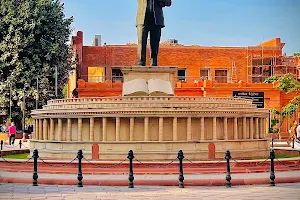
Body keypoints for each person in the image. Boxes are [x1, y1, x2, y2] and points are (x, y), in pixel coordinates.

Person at [136, 0, 172, 66]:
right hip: (142, 18)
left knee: (155, 43)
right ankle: (141, 61)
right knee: (141, 41)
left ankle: (153, 62)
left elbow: (168, 2)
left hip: (157, 20)